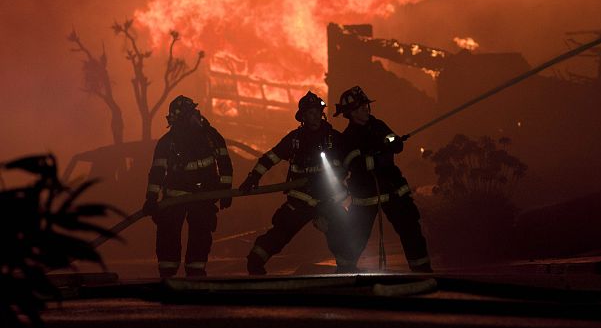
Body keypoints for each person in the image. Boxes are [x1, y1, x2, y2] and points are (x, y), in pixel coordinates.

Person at [239, 91, 357, 275]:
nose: (315, 116)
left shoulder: (334, 138)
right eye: (311, 113)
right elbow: (271, 158)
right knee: (281, 232)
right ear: (303, 116)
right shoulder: (294, 140)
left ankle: (347, 270)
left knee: (341, 231)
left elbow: (352, 159)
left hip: (328, 199)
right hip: (302, 198)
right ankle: (255, 262)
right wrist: (253, 177)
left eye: (318, 112)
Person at [335, 86, 432, 272]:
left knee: (410, 229)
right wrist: (373, 158)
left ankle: (422, 271)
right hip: (366, 194)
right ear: (352, 113)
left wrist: (394, 142)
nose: (366, 109)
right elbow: (350, 164)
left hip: (392, 188)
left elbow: (395, 144)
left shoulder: (378, 125)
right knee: (355, 235)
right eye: (362, 107)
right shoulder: (347, 138)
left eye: (366, 106)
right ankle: (344, 272)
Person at [142, 95, 233, 278]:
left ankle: (195, 271)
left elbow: (225, 164)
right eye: (192, 112)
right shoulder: (167, 143)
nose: (197, 115)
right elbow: (157, 172)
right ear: (183, 117)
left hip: (204, 196)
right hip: (174, 198)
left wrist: (226, 191)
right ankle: (167, 273)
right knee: (168, 234)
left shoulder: (211, 136)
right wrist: (151, 198)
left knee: (200, 234)